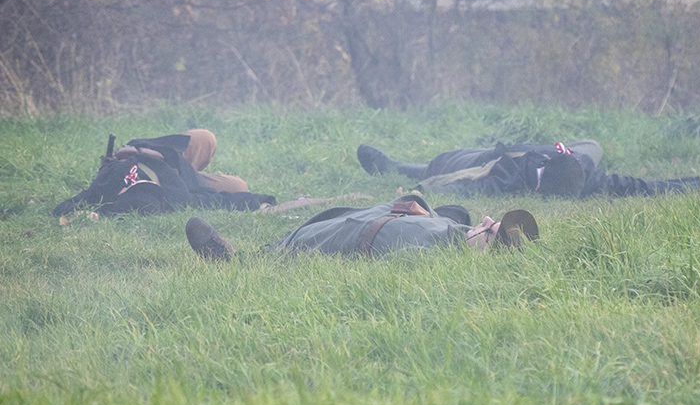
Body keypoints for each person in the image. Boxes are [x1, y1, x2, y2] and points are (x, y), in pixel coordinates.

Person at [185, 194, 540, 261]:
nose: (488, 221)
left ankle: (238, 262)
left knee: (305, 242)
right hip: (374, 217)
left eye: (491, 231)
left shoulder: (443, 256)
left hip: (353, 238)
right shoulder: (458, 231)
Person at [357, 140, 700, 199]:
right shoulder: (511, 175)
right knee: (441, 165)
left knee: (593, 145)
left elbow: (633, 186)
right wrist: (423, 190)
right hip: (497, 154)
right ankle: (396, 167)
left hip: (565, 149)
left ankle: (404, 169)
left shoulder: (585, 173)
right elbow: (472, 187)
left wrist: (692, 185)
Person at [53, 129, 276, 217]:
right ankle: (198, 176)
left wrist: (80, 214)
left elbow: (62, 208)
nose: (135, 182)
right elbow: (214, 201)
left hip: (161, 154)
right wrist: (260, 202)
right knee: (239, 187)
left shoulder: (106, 185)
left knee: (205, 138)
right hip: (182, 179)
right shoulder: (175, 198)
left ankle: (195, 169)